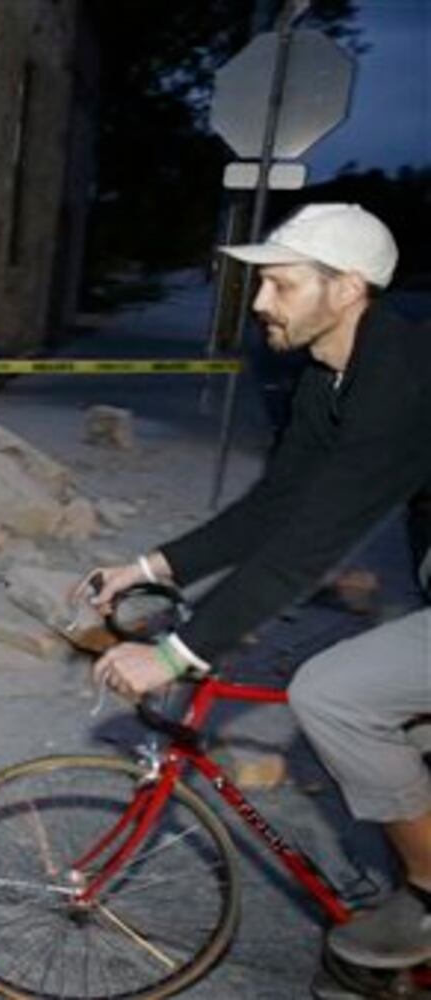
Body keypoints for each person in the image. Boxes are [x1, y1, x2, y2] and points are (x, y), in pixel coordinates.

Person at [78, 204, 431, 974]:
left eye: (281, 285)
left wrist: (173, 654)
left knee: (334, 695)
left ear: (346, 289)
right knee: (404, 746)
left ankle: (427, 893)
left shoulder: (403, 377)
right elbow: (274, 506)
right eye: (261, 284)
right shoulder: (326, 377)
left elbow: (309, 544)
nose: (261, 303)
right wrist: (150, 567)